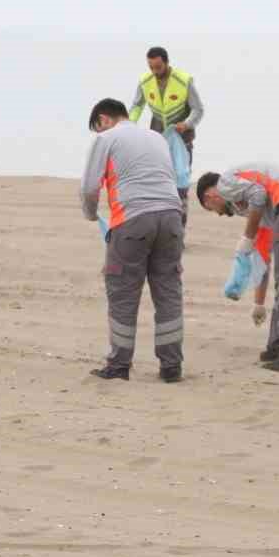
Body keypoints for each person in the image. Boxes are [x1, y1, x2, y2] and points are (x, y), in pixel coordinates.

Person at [81, 99, 186, 382]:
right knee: (168, 291)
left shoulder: (106, 138)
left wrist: (91, 215)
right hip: (172, 217)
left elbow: (90, 187)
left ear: (103, 119)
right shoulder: (155, 137)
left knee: (123, 292)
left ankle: (118, 366)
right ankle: (171, 366)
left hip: (133, 219)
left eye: (97, 127)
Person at [197, 163, 279, 372]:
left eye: (211, 209)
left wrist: (247, 237)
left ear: (209, 196)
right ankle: (278, 344)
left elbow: (257, 196)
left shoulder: (226, 183)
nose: (219, 213)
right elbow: (266, 246)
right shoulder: (250, 191)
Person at [130, 47, 205, 214]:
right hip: (157, 140)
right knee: (157, 183)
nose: (155, 71)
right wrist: (129, 125)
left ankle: (180, 222)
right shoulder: (145, 80)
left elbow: (198, 109)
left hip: (182, 139)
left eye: (158, 67)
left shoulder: (183, 81)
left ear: (166, 62)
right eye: (151, 67)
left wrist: (187, 123)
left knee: (180, 183)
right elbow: (137, 105)